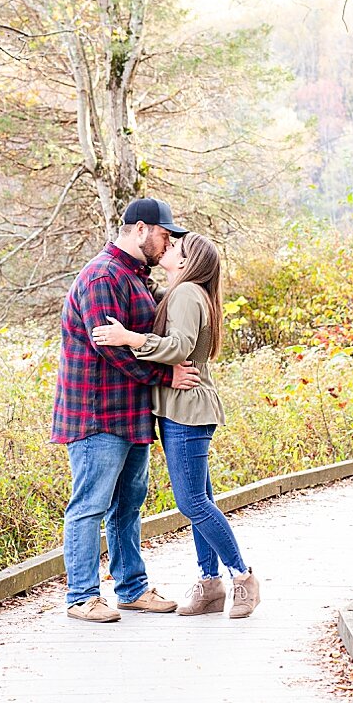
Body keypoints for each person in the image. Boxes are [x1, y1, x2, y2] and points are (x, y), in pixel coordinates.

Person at [93, 232, 260, 619]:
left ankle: (243, 577)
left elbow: (181, 347)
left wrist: (127, 338)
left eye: (176, 249)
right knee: (201, 500)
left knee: (192, 502)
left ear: (187, 262)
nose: (168, 249)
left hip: (187, 411)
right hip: (182, 408)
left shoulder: (187, 294)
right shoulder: (185, 292)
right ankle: (209, 583)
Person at [52, 198, 201, 624]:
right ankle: (81, 597)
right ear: (140, 229)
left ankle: (132, 589)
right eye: (164, 234)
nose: (168, 241)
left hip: (131, 413)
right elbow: (109, 345)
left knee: (128, 505)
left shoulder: (135, 276)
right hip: (96, 413)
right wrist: (165, 378)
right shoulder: (103, 275)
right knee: (89, 505)